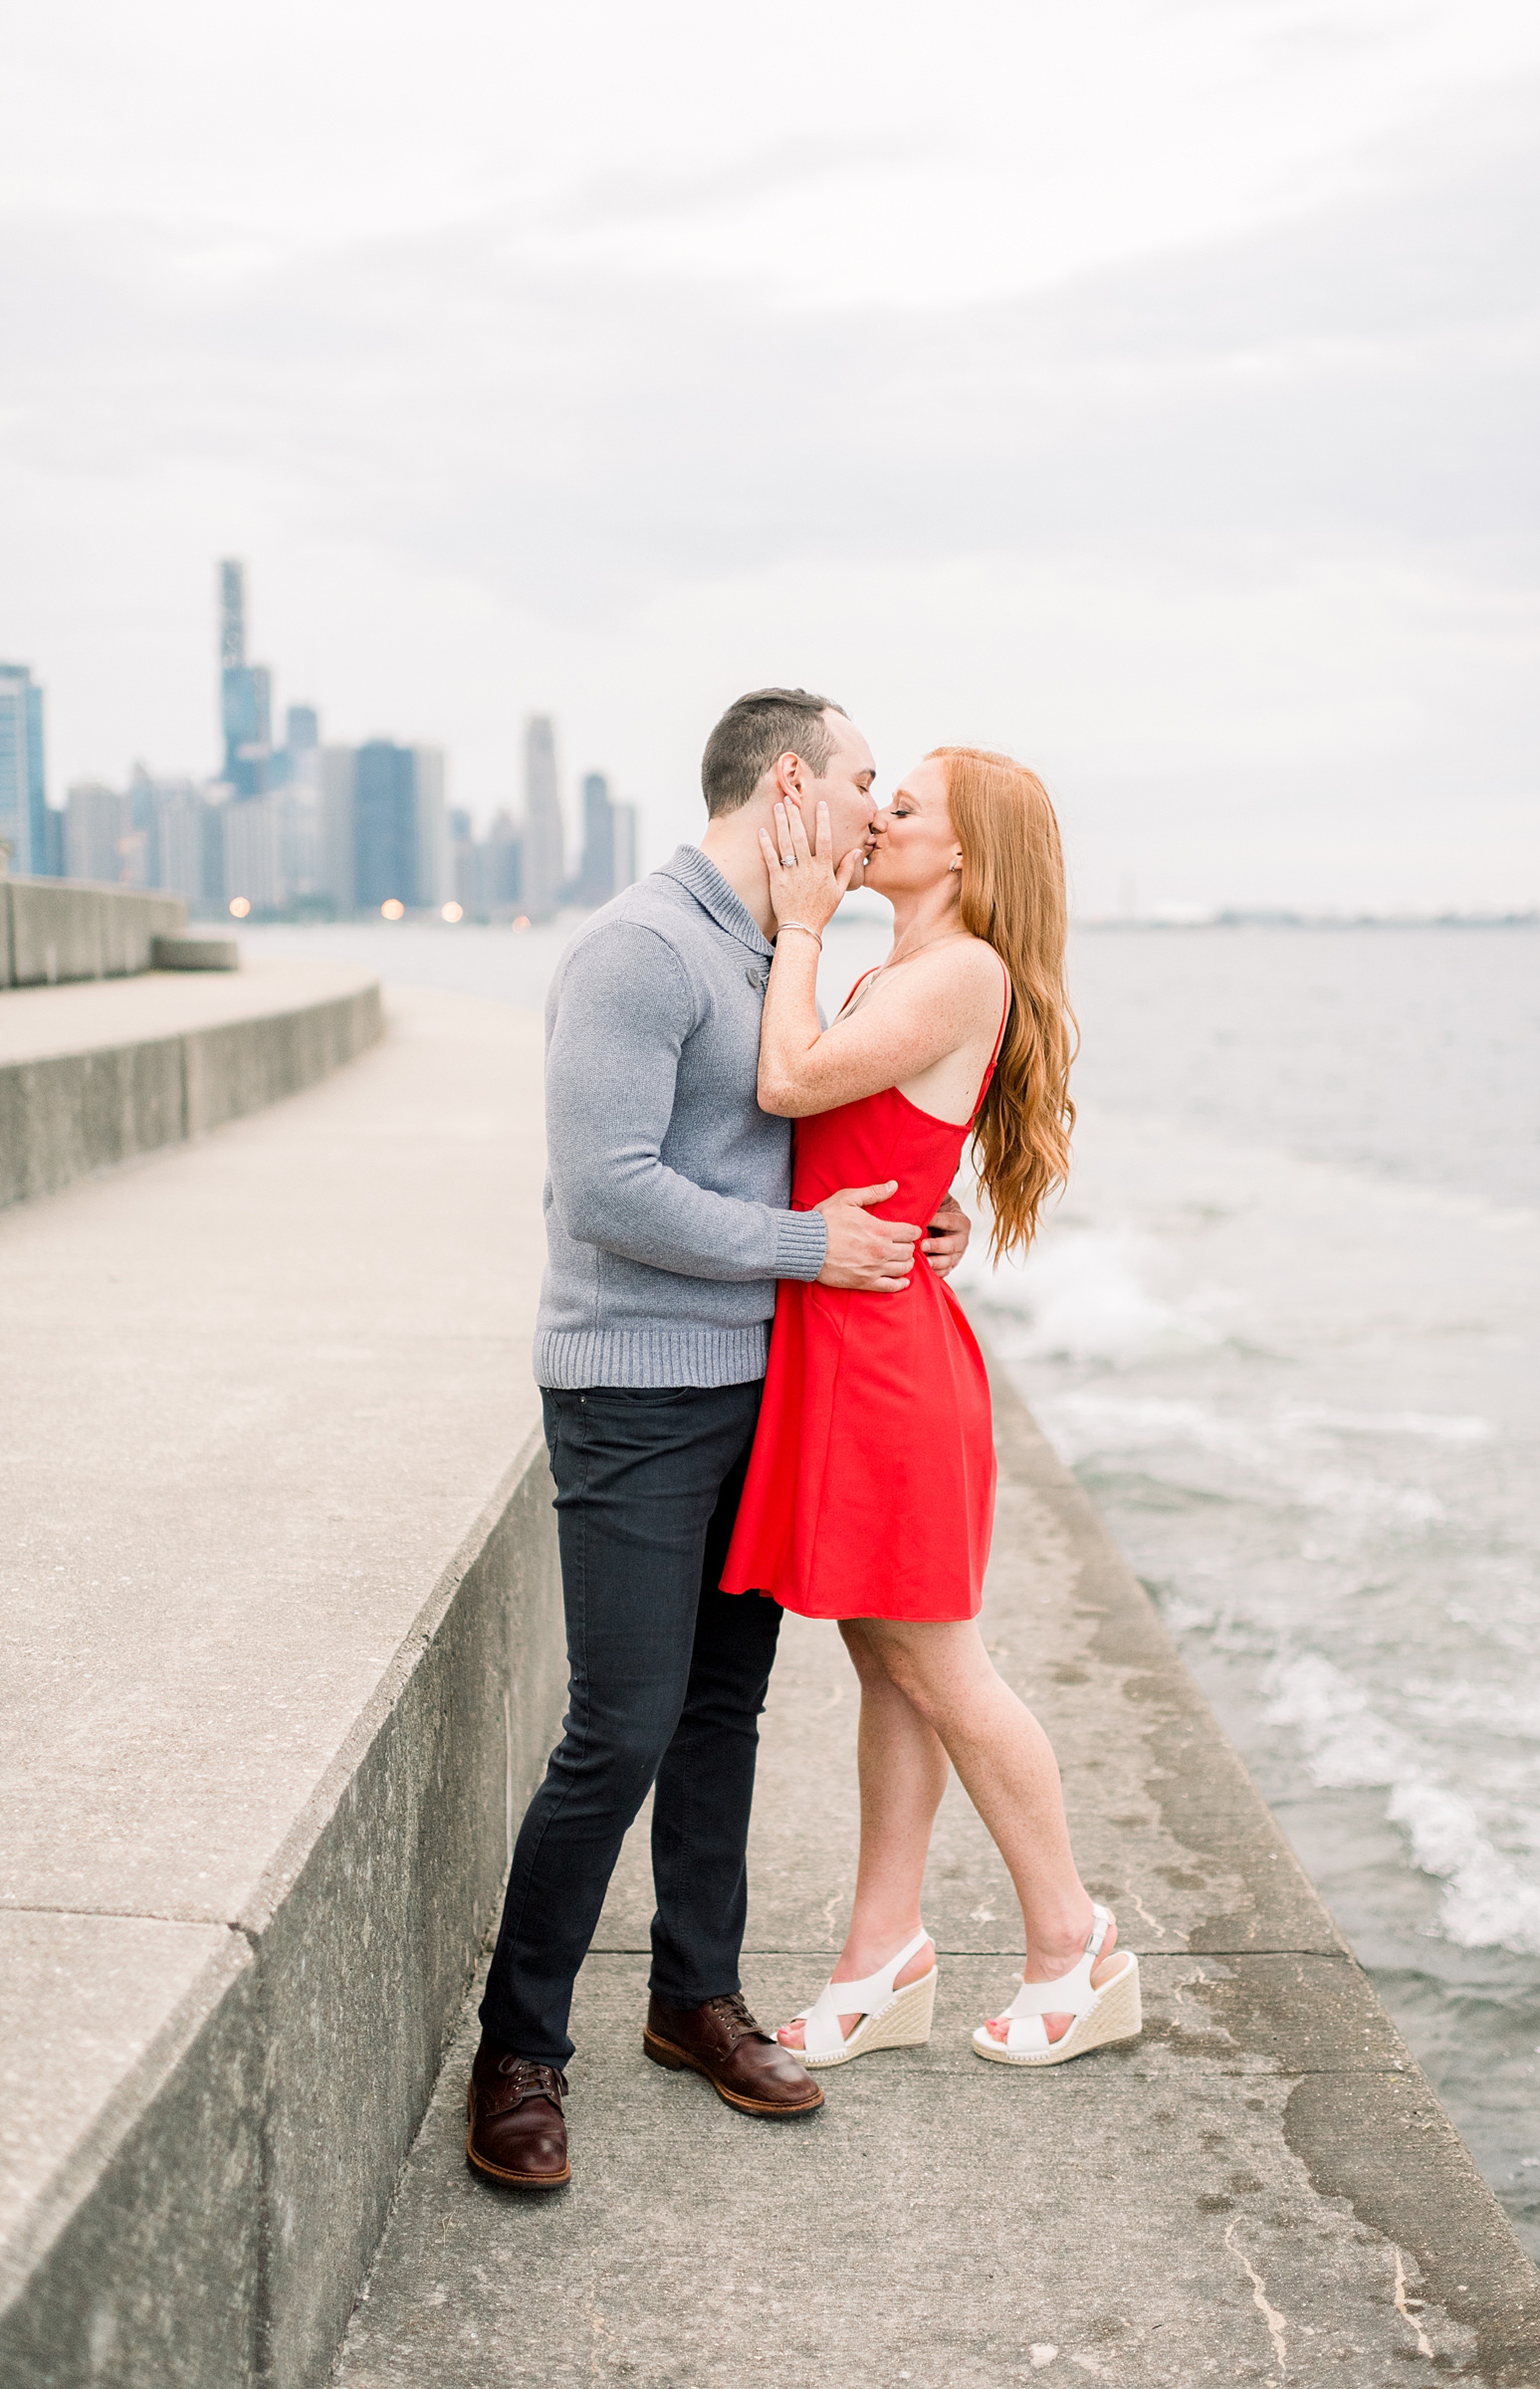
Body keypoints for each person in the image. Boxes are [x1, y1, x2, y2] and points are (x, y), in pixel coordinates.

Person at [466, 690, 973, 2189]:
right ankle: (519, 2049)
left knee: (720, 1714)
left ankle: (692, 1997)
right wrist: (806, 1247)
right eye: (864, 780)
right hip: (631, 1387)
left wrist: (909, 1216)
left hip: (769, 1386)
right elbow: (610, 1188)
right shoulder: (640, 945)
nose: (879, 810)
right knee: (617, 1725)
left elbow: (813, 1124)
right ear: (792, 782)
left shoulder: (780, 949)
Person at [721, 747, 1143, 2070]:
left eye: (901, 808)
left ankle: (1071, 1946)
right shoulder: (896, 969)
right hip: (852, 1330)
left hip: (884, 1358)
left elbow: (787, 1085)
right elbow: (872, 1139)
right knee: (886, 1665)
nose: (873, 817)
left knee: (938, 1664)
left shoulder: (957, 969)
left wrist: (795, 923)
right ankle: (882, 1950)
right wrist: (927, 1200)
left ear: (962, 854)